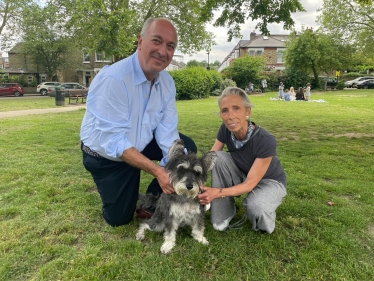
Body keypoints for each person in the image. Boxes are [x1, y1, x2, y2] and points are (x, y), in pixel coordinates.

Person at [80, 18, 197, 227]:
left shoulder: (167, 83)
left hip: (139, 143)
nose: (163, 51)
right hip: (106, 157)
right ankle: (117, 188)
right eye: (157, 41)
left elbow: (167, 133)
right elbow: (115, 142)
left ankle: (151, 200)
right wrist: (158, 171)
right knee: (119, 219)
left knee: (185, 147)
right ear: (140, 41)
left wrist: (181, 172)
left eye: (170, 46)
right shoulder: (114, 79)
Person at [197, 87, 287, 234]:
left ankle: (265, 210)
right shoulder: (225, 129)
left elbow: (250, 184)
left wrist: (216, 192)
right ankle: (224, 213)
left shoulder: (266, 140)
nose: (230, 116)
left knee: (257, 207)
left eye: (236, 108)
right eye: (224, 110)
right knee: (216, 157)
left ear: (248, 112)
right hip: (243, 172)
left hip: (269, 181)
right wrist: (193, 178)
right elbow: (210, 158)